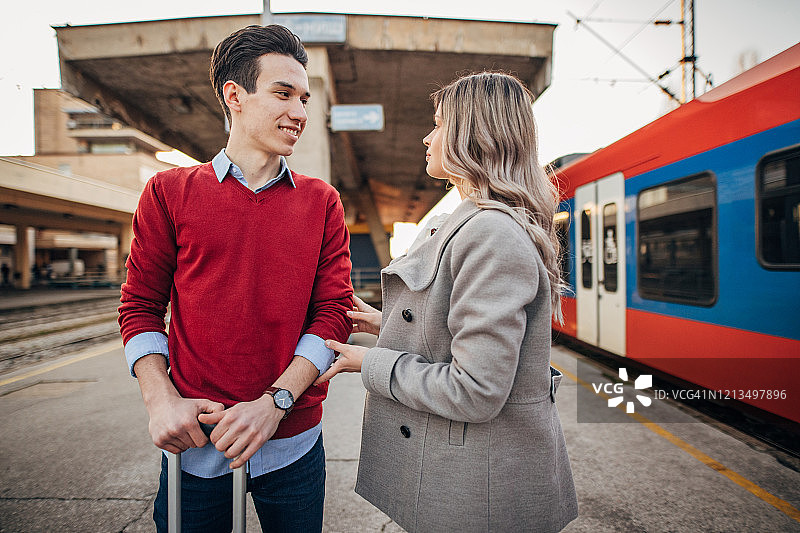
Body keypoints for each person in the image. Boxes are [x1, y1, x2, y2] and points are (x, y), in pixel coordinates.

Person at [316, 72, 579, 532]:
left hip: (481, 494)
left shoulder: (491, 233)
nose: (427, 136)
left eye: (438, 124)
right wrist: (389, 324)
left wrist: (371, 362)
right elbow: (455, 327)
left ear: (470, 134)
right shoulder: (476, 221)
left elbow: (475, 391)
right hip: (472, 476)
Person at [118, 24, 353, 533]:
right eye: (283, 93)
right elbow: (139, 305)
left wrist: (276, 403)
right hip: (195, 444)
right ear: (235, 96)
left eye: (305, 99)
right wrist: (160, 401)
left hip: (293, 442)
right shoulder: (168, 192)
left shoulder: (323, 201)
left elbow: (334, 313)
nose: (300, 112)